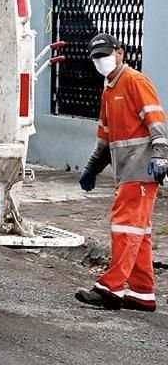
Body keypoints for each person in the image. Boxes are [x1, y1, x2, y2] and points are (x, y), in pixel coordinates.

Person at [75, 33, 168, 312]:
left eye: (104, 55)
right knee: (137, 232)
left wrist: (161, 155)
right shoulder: (108, 89)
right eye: (96, 58)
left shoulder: (134, 81)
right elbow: (104, 137)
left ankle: (110, 288)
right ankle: (142, 292)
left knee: (124, 227)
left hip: (141, 169)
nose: (100, 61)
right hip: (127, 171)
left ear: (120, 52)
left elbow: (156, 120)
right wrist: (92, 167)